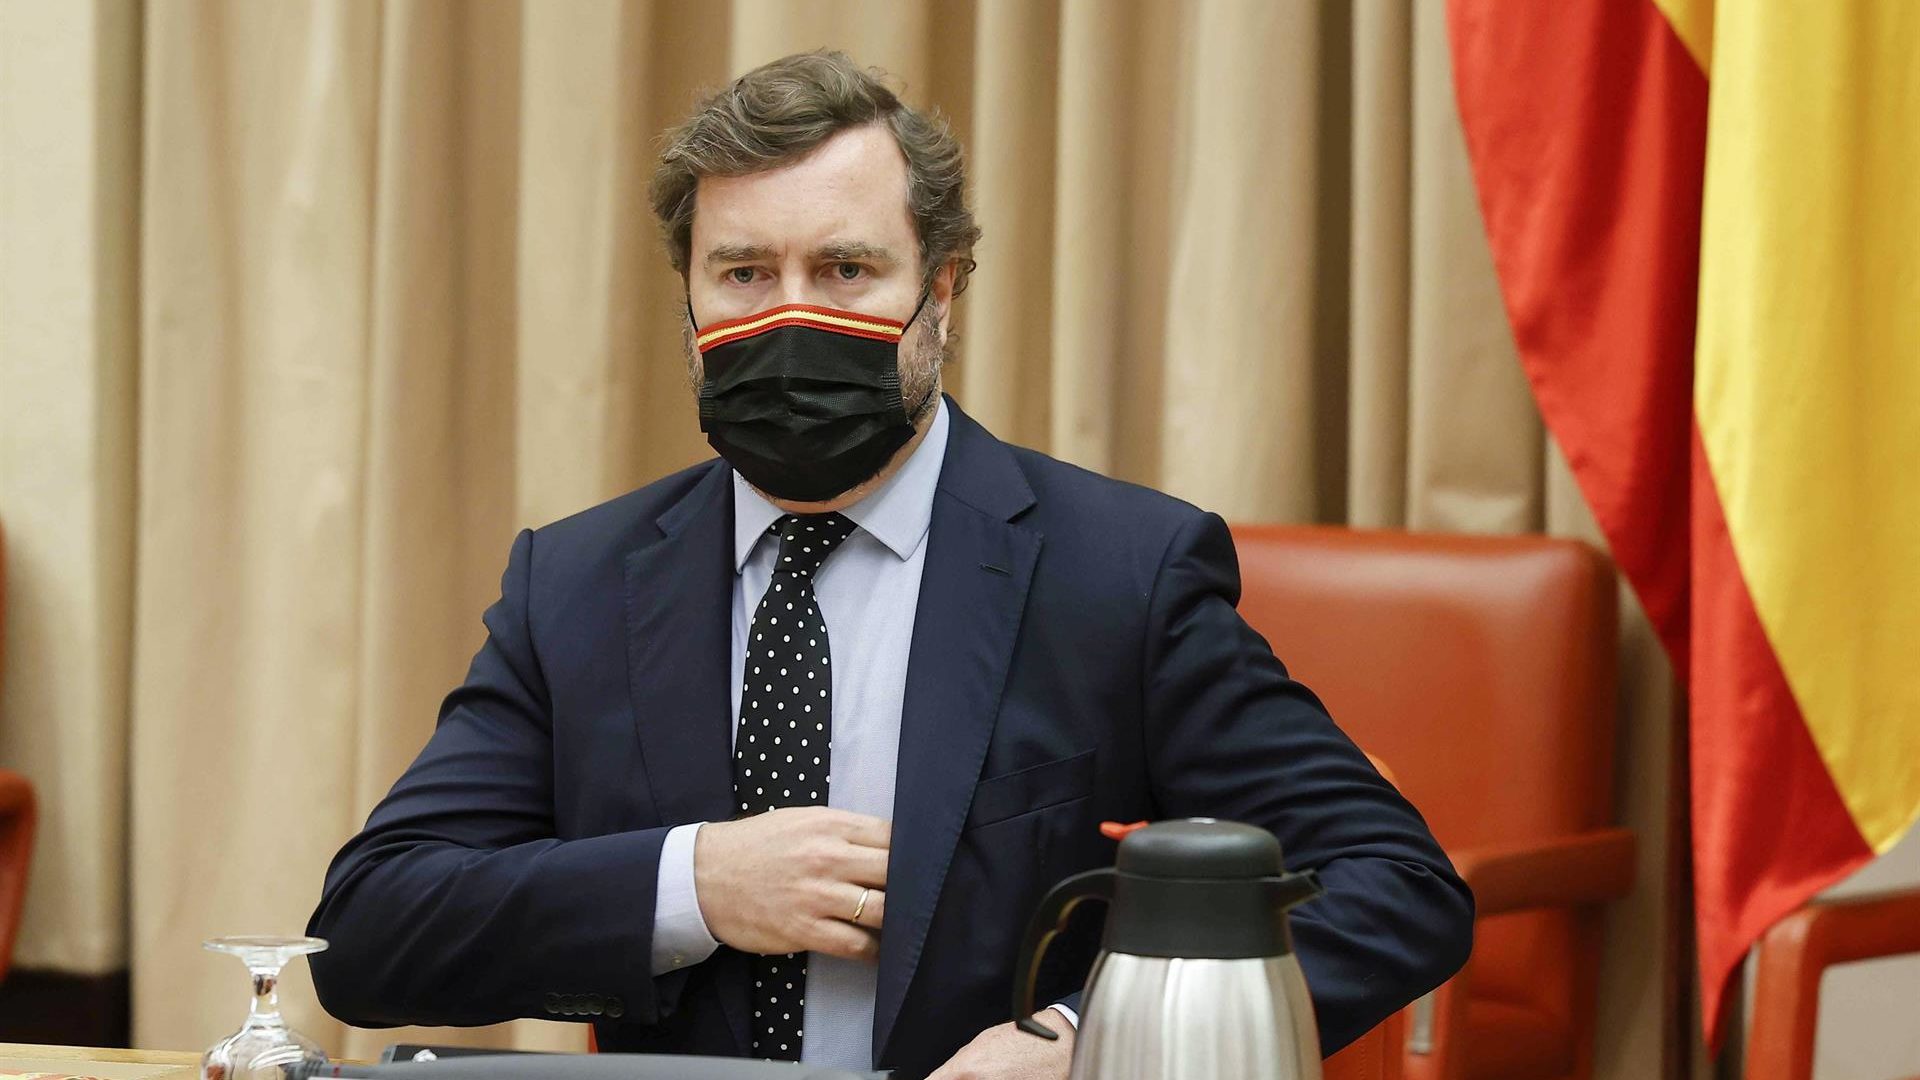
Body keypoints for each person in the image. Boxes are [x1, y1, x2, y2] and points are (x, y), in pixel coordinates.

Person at [308, 49, 1473, 1080]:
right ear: (688, 297)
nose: (792, 319)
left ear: (942, 292)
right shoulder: (578, 583)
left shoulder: (1120, 572)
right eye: (744, 274)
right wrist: (694, 885)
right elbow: (368, 932)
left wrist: (1089, 1042)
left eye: (847, 271)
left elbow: (1394, 885)